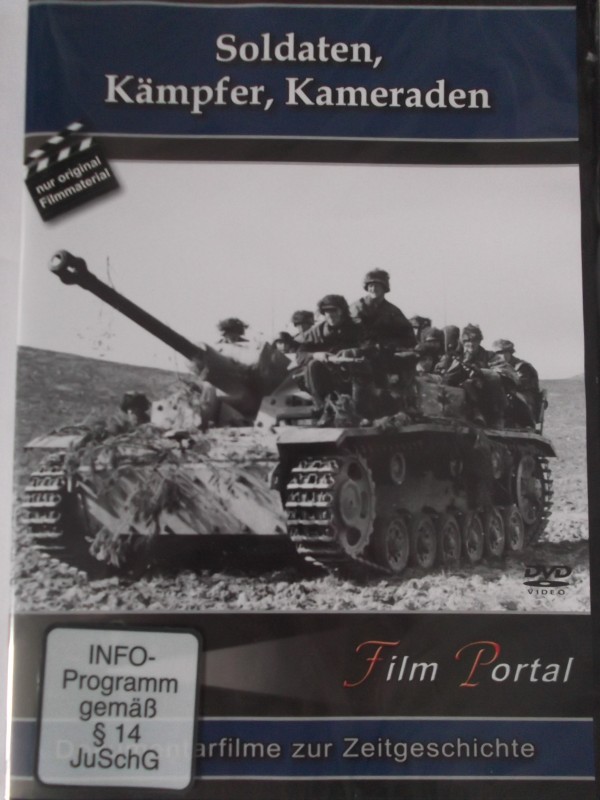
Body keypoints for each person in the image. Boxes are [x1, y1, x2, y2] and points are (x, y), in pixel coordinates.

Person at [296, 295, 363, 423]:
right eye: (326, 311)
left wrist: (352, 352)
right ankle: (325, 409)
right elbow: (300, 354)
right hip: (328, 378)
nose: (330, 315)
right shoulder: (316, 332)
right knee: (313, 365)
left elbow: (371, 347)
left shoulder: (357, 328)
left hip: (354, 377)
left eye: (334, 310)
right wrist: (316, 355)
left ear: (342, 311)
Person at [438, 325, 505, 426]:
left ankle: (495, 418)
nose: (471, 344)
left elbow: (503, 372)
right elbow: (441, 376)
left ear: (480, 341)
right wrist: (455, 368)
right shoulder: (452, 356)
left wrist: (481, 372)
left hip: (487, 397)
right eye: (467, 341)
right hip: (457, 397)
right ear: (462, 342)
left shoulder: (489, 356)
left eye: (475, 340)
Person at [350, 270, 416, 350]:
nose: (373, 289)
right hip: (359, 350)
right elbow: (352, 331)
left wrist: (392, 344)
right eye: (370, 286)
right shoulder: (357, 307)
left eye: (377, 286)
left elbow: (408, 334)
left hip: (386, 351)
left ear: (384, 288)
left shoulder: (393, 311)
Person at [490, 339, 541, 426]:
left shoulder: (523, 367)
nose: (502, 356)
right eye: (498, 353)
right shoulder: (495, 366)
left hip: (525, 402)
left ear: (510, 352)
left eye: (505, 352)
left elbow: (521, 385)